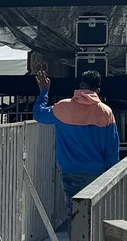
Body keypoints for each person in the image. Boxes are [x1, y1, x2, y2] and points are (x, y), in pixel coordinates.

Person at [33, 68, 119, 201]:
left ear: (80, 85)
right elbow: (112, 148)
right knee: (96, 210)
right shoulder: (106, 112)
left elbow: (39, 114)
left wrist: (44, 91)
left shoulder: (63, 107)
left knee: (74, 209)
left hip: (70, 170)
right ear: (98, 90)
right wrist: (111, 174)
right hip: (97, 172)